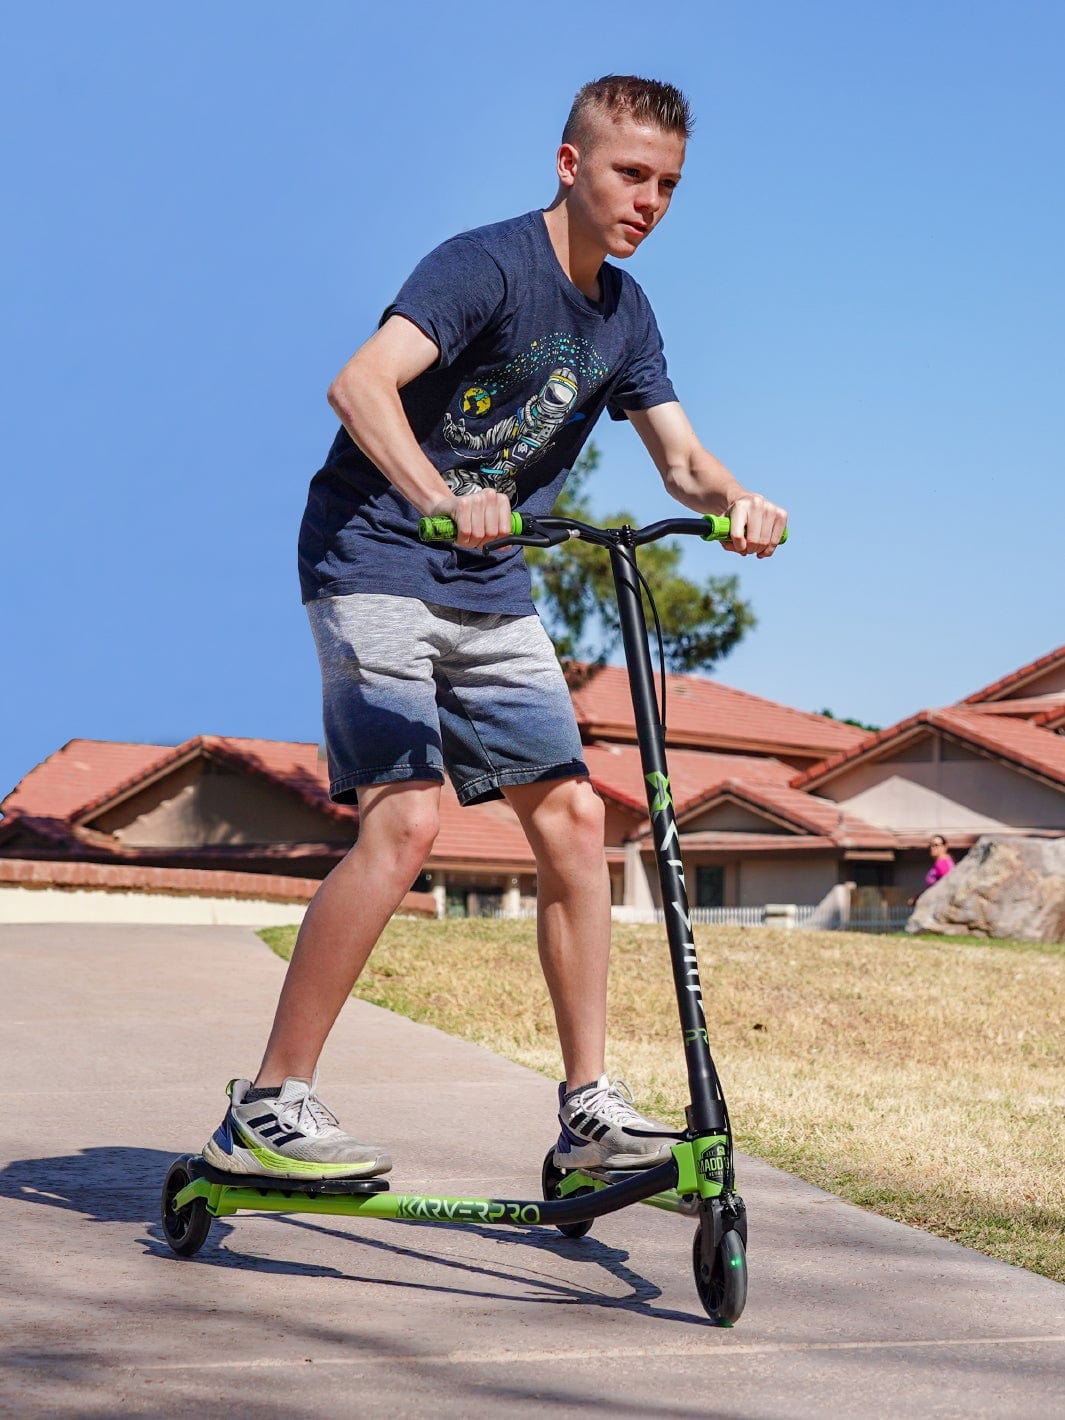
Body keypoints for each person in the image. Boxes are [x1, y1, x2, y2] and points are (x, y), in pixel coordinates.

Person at [203, 75, 788, 1181]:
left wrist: (738, 501)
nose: (649, 200)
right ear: (570, 164)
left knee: (573, 817)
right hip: (373, 553)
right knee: (406, 823)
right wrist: (439, 493)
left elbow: (681, 461)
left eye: (667, 184)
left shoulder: (626, 315)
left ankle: (587, 1112)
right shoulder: (485, 265)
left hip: (486, 577)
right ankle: (269, 1102)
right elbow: (360, 385)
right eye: (630, 174)